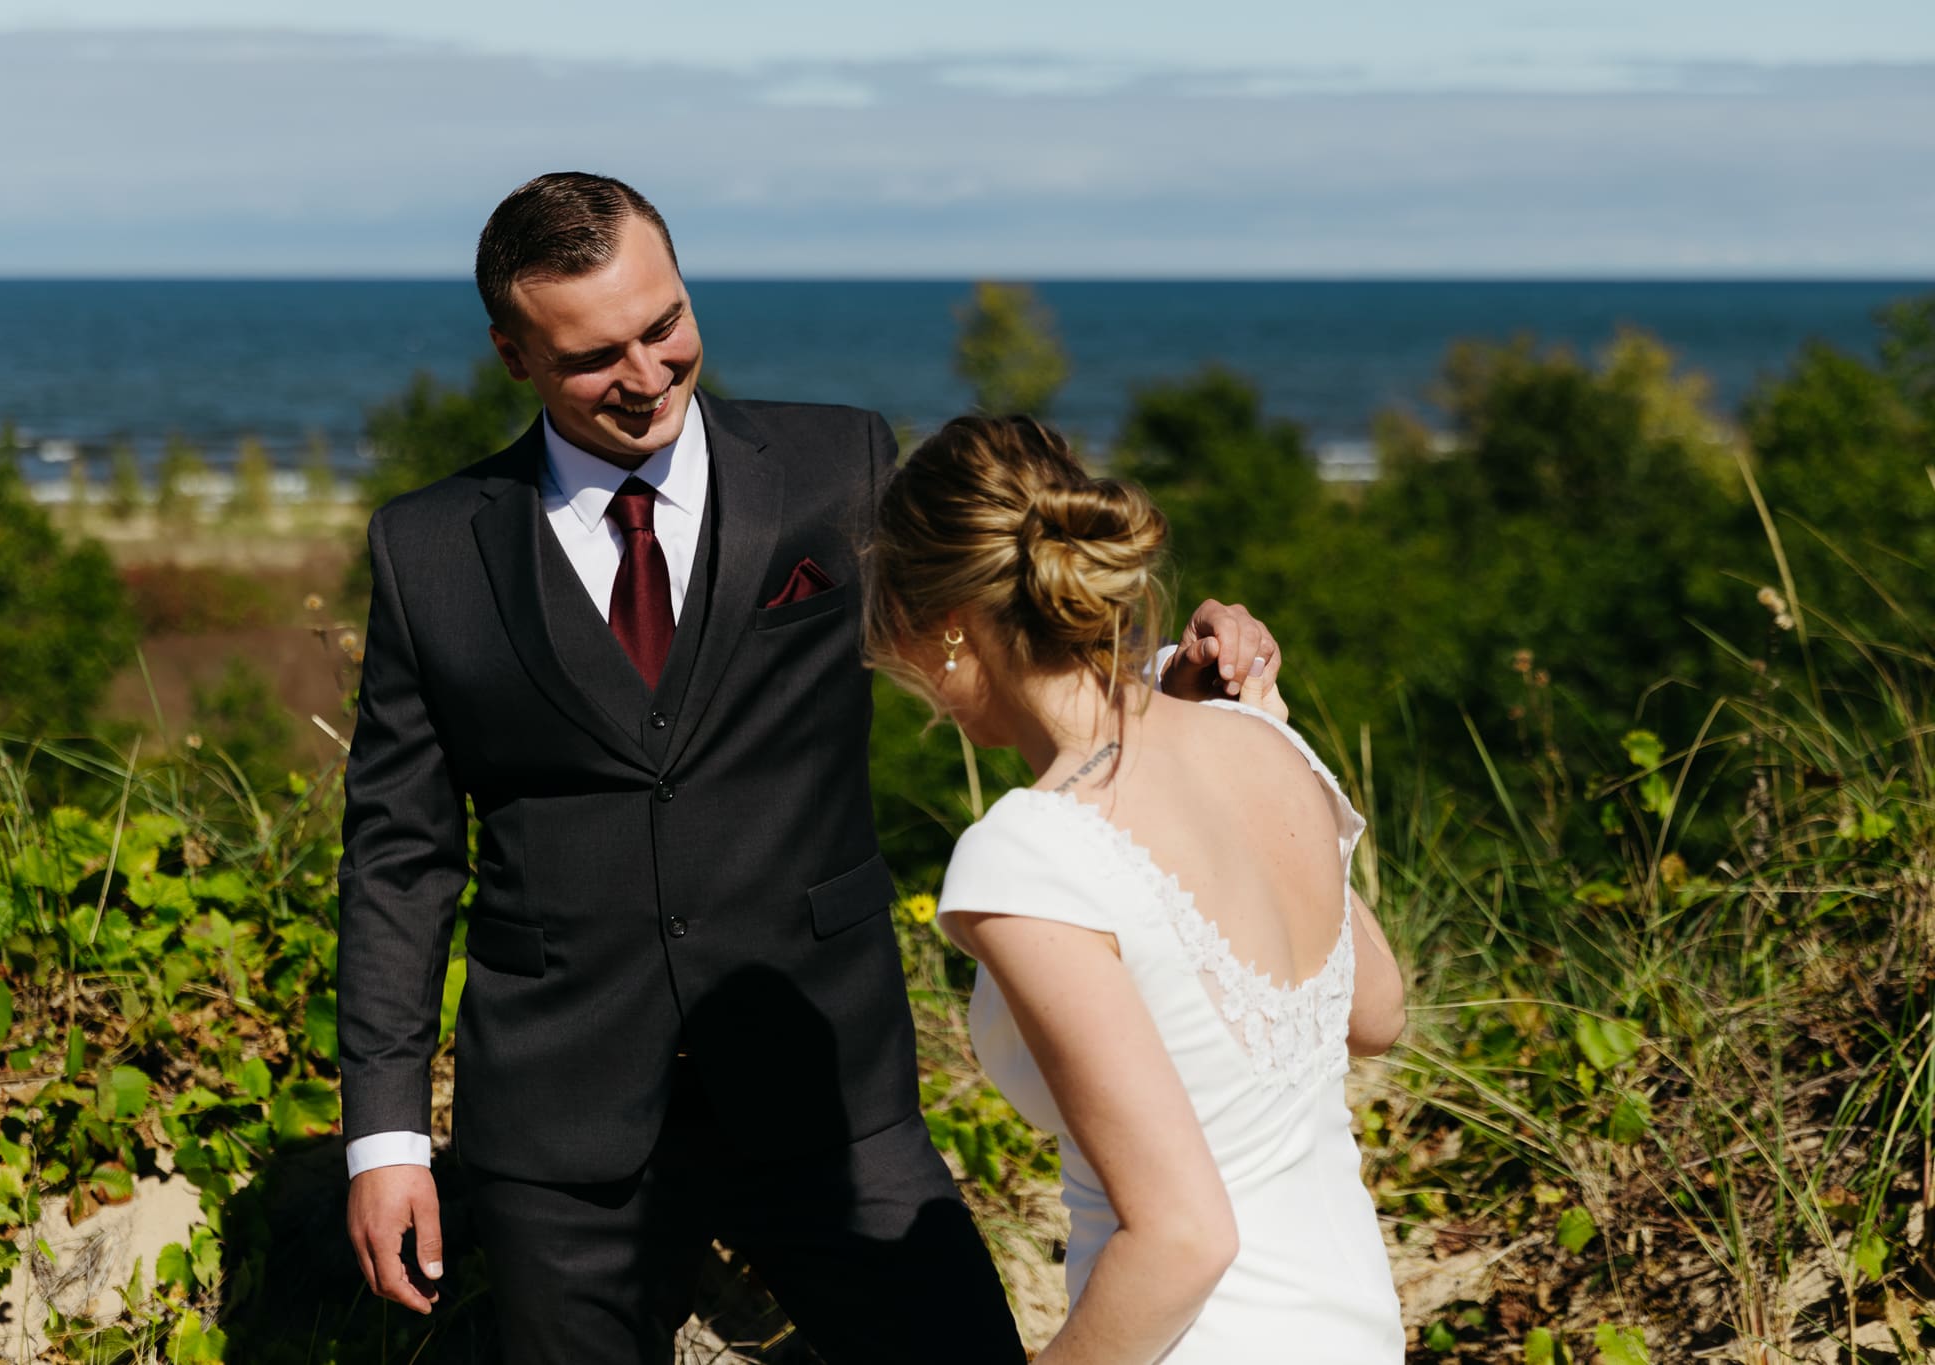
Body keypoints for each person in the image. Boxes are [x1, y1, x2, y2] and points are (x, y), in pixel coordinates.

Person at [336, 172, 1285, 1363]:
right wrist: (383, 1140)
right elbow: (398, 858)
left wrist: (1161, 689)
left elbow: (996, 627)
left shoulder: (839, 465)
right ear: (511, 354)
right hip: (559, 1123)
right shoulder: (427, 548)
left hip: (831, 1086)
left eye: (664, 324)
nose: (645, 377)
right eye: (593, 358)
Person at [864, 414, 1408, 1363]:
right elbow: (1376, 1015)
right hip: (1356, 1326)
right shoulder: (1264, 741)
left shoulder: (1027, 851)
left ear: (949, 630)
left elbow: (1183, 1238)